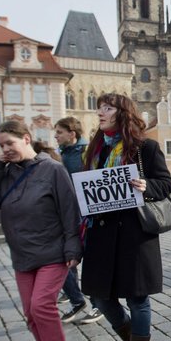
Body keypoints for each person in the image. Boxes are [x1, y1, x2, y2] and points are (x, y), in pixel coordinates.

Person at [81, 93, 171, 341]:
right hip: (100, 234)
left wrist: (147, 186)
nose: (101, 113)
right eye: (99, 109)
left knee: (137, 298)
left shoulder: (145, 147)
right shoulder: (93, 149)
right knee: (101, 298)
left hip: (134, 234)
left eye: (107, 108)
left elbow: (165, 184)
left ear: (123, 113)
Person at [0, 121, 82, 341]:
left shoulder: (53, 170)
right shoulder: (5, 172)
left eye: (9, 143)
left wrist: (73, 246)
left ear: (26, 139)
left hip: (52, 250)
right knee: (31, 314)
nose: (5, 149)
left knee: (41, 306)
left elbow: (69, 210)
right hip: (22, 254)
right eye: (1, 145)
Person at [53, 117, 102, 325]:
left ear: (72, 134)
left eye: (59, 132)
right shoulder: (64, 152)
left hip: (85, 214)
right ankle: (75, 297)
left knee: (91, 261)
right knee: (65, 257)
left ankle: (98, 304)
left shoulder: (85, 152)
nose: (56, 136)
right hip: (69, 212)